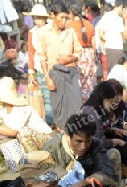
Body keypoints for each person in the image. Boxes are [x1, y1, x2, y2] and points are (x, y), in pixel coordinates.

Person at [37, 0, 82, 130]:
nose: (64, 21)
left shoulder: (71, 31)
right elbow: (41, 56)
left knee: (75, 106)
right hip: (54, 74)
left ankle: (74, 133)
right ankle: (61, 135)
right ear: (53, 15)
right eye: (61, 17)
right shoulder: (44, 32)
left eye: (66, 18)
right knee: (59, 108)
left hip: (70, 73)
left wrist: (69, 60)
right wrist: (47, 78)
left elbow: (79, 52)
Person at [44, 113, 115, 186]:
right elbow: (46, 181)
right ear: (67, 137)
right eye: (79, 141)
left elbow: (107, 173)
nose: (84, 147)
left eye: (88, 141)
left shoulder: (96, 144)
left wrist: (85, 182)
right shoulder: (51, 148)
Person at [0, 77, 53, 153]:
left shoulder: (21, 109)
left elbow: (13, 132)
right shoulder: (4, 110)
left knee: (23, 131)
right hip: (28, 141)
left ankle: (33, 160)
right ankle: (16, 160)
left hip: (46, 139)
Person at [27, 3, 53, 126]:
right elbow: (31, 52)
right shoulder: (32, 32)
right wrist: (31, 71)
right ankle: (50, 122)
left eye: (39, 17)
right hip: (40, 67)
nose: (37, 20)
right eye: (35, 17)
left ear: (44, 18)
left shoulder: (52, 28)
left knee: (55, 94)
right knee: (45, 96)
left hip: (53, 66)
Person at [68, 3, 97, 103]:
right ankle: (90, 103)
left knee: (79, 81)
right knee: (90, 81)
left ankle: (81, 104)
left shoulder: (69, 25)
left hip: (78, 54)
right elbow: (94, 44)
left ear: (71, 12)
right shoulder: (88, 24)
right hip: (90, 53)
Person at [97, 0, 127, 73]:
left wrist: (105, 42)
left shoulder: (106, 16)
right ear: (122, 7)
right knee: (117, 73)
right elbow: (126, 36)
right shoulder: (118, 19)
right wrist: (126, 19)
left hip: (109, 49)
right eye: (126, 9)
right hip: (117, 49)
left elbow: (101, 33)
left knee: (110, 72)